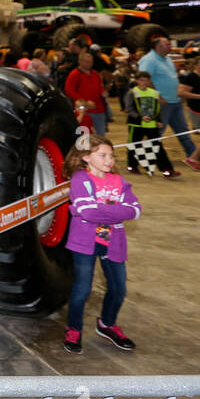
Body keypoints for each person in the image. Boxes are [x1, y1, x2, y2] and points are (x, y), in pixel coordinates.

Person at [62, 133, 140, 354]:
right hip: (84, 243)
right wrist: (115, 212)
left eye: (112, 156)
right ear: (86, 157)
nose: (109, 160)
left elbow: (134, 211)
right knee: (82, 290)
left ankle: (107, 325)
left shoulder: (119, 182)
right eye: (103, 155)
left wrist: (97, 210)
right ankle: (73, 329)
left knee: (119, 288)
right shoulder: (80, 180)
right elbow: (87, 211)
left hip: (113, 242)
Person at [137, 34, 197, 160]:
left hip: (174, 100)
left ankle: (193, 155)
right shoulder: (149, 60)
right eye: (167, 44)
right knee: (155, 130)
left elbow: (173, 77)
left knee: (183, 130)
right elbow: (143, 80)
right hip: (159, 102)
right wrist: (157, 97)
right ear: (158, 46)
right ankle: (146, 156)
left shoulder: (167, 59)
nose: (170, 46)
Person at [122, 71, 176, 176]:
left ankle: (167, 169)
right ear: (137, 81)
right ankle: (132, 166)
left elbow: (157, 108)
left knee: (158, 147)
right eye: (141, 80)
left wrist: (159, 120)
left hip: (152, 125)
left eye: (146, 80)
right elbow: (128, 109)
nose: (144, 82)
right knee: (134, 145)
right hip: (137, 124)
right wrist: (140, 117)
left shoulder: (154, 93)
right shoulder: (132, 93)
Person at [65, 51, 108, 135]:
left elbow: (99, 88)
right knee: (85, 137)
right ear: (80, 61)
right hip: (84, 111)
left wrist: (103, 93)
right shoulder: (75, 74)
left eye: (91, 62)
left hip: (99, 110)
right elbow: (69, 91)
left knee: (100, 135)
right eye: (87, 62)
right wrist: (85, 102)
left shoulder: (95, 74)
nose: (89, 64)